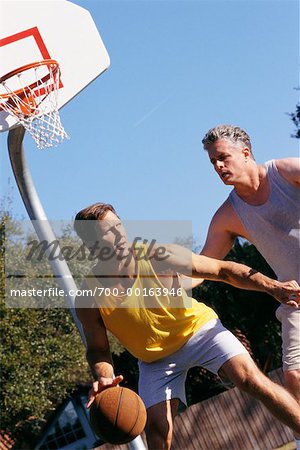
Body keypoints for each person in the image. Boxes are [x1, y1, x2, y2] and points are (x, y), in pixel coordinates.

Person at [74, 202, 300, 450]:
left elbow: (222, 270)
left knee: (249, 379)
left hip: (198, 331)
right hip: (155, 361)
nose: (118, 234)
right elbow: (98, 349)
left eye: (118, 225)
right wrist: (104, 377)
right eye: (107, 231)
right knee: (158, 433)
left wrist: (271, 286)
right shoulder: (89, 295)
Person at [197, 124, 300, 449]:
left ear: (245, 153)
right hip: (296, 297)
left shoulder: (287, 172)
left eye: (223, 158)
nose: (218, 167)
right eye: (213, 162)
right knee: (294, 376)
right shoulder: (228, 215)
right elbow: (203, 267)